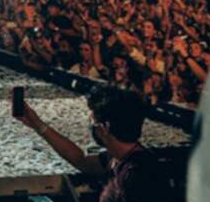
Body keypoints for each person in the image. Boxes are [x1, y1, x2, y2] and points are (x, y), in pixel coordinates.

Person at [15, 86, 172, 201]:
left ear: (105, 128)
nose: (91, 126)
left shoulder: (137, 175)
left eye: (93, 121)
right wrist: (38, 125)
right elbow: (80, 160)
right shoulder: (118, 157)